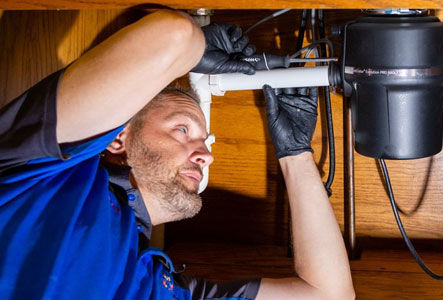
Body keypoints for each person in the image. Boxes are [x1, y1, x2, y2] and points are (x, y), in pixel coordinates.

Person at [0, 9, 354, 300]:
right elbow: (172, 35)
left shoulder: (159, 286)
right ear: (117, 138)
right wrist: (197, 52)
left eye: (202, 138)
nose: (206, 155)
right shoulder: (48, 170)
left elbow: (327, 294)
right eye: (183, 129)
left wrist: (295, 155)